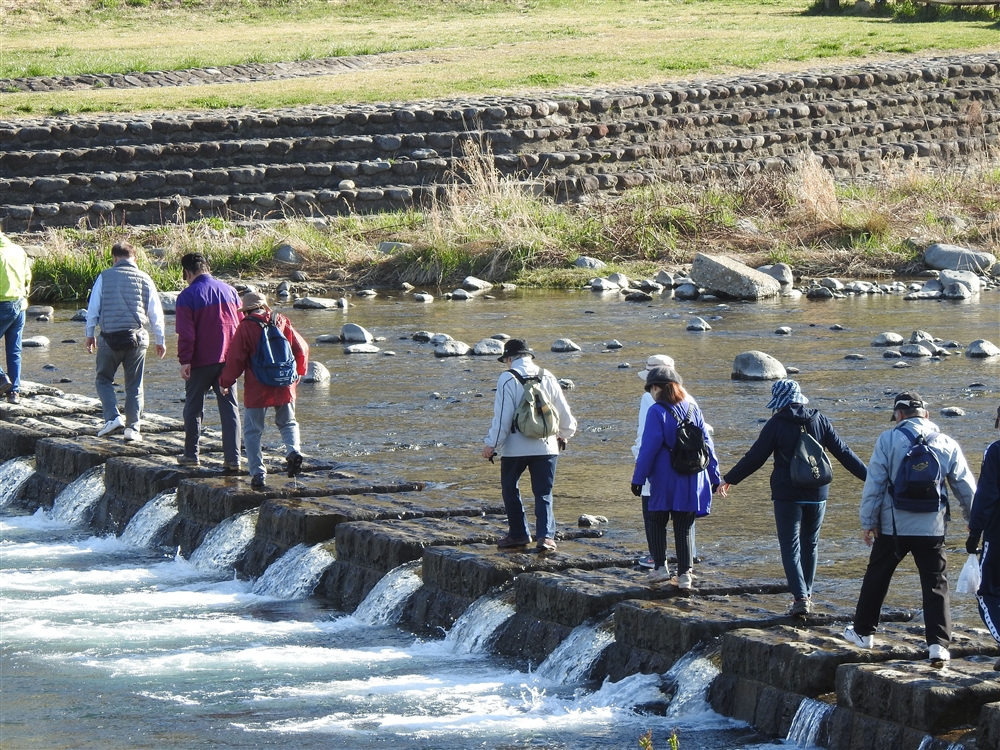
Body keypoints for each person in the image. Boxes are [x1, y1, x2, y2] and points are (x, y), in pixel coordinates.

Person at [843, 392, 976, 662]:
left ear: (899, 415)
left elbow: (875, 484)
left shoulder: (887, 440)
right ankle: (938, 645)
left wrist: (868, 522)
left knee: (877, 577)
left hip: (893, 529)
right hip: (932, 528)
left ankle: (863, 633)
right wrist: (974, 522)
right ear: (926, 414)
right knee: (936, 583)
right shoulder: (947, 442)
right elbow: (965, 487)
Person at [720, 379, 868, 615]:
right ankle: (807, 594)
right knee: (810, 544)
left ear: (779, 401)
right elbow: (844, 452)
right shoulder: (819, 419)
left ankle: (800, 599)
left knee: (790, 547)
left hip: (787, 493)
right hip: (818, 492)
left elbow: (755, 457)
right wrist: (871, 479)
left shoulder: (776, 423)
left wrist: (730, 479)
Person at [482, 338, 577, 552]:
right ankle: (546, 538)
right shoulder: (548, 376)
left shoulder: (507, 378)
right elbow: (564, 413)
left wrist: (491, 445)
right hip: (547, 446)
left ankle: (519, 534)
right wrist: (564, 434)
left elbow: (502, 418)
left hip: (515, 448)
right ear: (528, 356)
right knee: (543, 493)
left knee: (510, 488)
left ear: (509, 359)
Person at [630, 366, 721, 589]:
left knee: (656, 520)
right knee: (684, 525)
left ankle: (661, 568)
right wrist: (714, 476)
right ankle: (685, 575)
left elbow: (648, 448)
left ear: (656, 388)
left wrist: (638, 479)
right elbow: (707, 444)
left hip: (665, 476)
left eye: (650, 389)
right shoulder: (693, 408)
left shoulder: (656, 410)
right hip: (693, 477)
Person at [219, 292, 308, 489]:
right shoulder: (281, 320)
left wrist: (225, 382)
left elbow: (235, 359)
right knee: (288, 422)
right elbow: (301, 348)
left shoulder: (245, 327)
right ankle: (293, 451)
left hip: (258, 386)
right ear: (264, 306)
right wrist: (299, 372)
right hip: (284, 383)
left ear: (246, 311)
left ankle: (258, 473)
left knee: (253, 431)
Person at [85, 241, 166, 442]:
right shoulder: (145, 278)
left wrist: (90, 333)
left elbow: (93, 308)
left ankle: (113, 418)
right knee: (134, 385)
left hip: (109, 339)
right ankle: (133, 429)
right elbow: (155, 313)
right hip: (137, 339)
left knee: (103, 379)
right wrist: (160, 339)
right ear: (134, 258)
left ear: (114, 258)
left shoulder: (104, 276)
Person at [174, 253, 242, 470]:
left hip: (200, 361)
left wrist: (185, 360)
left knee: (193, 408)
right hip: (228, 361)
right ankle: (233, 459)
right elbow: (241, 326)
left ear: (186, 273)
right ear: (207, 267)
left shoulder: (187, 296)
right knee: (230, 409)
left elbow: (186, 334)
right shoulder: (231, 291)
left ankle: (191, 455)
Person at [967, 405, 1000, 670]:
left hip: (997, 534)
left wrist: (974, 533)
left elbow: (986, 496)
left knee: (986, 592)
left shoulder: (996, 451)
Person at [0, 233, 31, 405]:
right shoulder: (18, 250)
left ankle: (1, 378)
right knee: (14, 351)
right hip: (20, 305)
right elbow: (27, 277)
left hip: (2, 304)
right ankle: (13, 393)